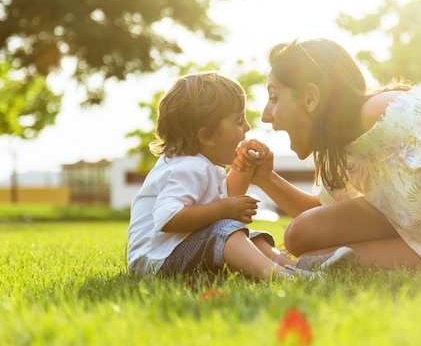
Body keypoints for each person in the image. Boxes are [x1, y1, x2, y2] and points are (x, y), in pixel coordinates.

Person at [234, 38, 421, 275]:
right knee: (300, 236)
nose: (265, 115)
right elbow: (320, 214)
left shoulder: (387, 116)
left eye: (274, 97)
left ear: (311, 98)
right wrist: (266, 179)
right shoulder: (341, 145)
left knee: (316, 262)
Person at [127, 71, 315, 280]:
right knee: (228, 231)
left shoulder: (203, 165)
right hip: (156, 260)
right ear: (206, 136)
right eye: (238, 121)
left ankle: (299, 269)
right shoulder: (187, 167)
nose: (247, 127)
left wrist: (244, 168)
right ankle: (280, 276)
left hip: (175, 252)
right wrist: (222, 209)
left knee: (252, 239)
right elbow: (168, 217)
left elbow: (227, 196)